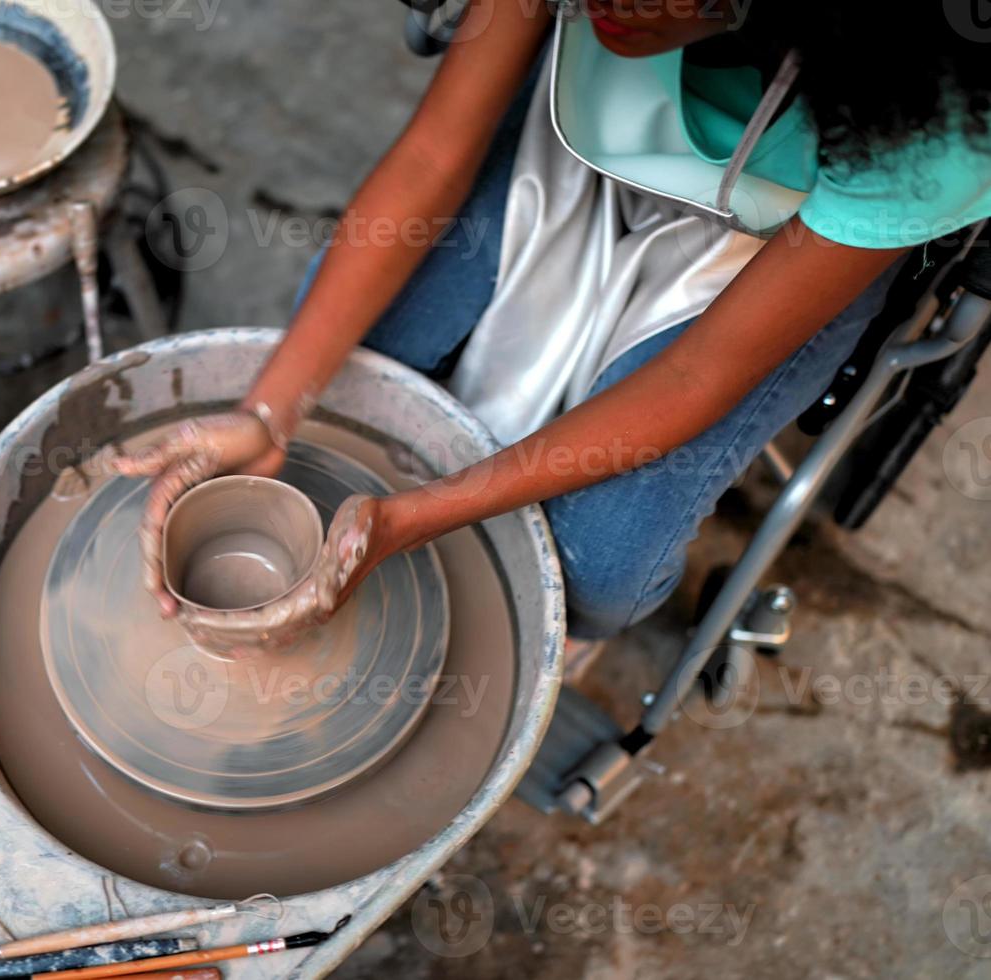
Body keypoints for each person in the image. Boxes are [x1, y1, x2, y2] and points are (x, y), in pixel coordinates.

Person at [115, 0, 991, 655]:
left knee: (592, 568)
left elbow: (697, 376)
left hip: (782, 247)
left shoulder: (939, 115)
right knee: (354, 386)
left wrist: (413, 519)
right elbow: (431, 156)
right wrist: (270, 411)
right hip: (574, 152)